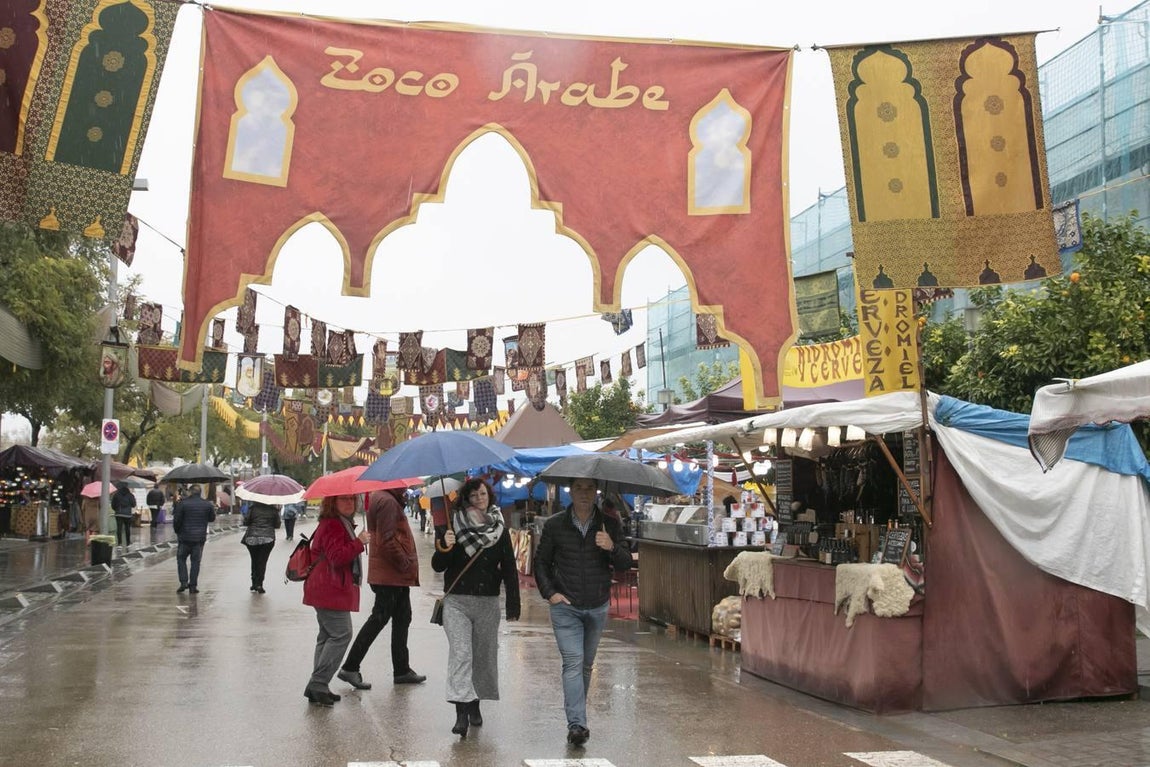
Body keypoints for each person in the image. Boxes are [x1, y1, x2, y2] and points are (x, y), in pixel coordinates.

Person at [534, 476, 632, 747]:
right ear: (570, 491)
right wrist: (550, 593)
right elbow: (540, 562)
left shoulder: (610, 524)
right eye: (579, 487)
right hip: (566, 607)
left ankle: (577, 715)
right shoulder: (555, 525)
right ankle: (577, 723)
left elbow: (625, 562)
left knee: (586, 666)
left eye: (590, 488)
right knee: (573, 662)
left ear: (597, 491)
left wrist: (611, 546)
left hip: (597, 605)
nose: (585, 493)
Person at [432, 478, 520, 738]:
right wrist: (446, 545)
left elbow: (509, 567)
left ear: (489, 496)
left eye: (483, 493)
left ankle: (475, 704)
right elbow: (438, 566)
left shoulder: (499, 529)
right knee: (461, 654)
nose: (480, 498)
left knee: (482, 656)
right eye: (474, 495)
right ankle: (460, 713)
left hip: (487, 602)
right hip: (457, 602)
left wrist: (513, 604)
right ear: (466, 499)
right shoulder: (452, 525)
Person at [337, 487, 426, 692]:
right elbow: (387, 539)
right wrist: (404, 562)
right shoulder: (387, 501)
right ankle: (351, 666)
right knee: (378, 619)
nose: (405, 486)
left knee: (403, 617)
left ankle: (402, 669)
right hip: (391, 574)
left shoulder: (385, 497)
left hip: (391, 574)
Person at [302, 494, 369, 706]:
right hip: (329, 587)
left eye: (352, 499)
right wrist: (359, 542)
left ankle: (319, 686)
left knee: (327, 636)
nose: (349, 503)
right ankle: (318, 682)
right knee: (341, 634)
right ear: (333, 503)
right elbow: (336, 557)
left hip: (326, 587)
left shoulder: (341, 523)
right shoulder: (333, 525)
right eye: (343, 499)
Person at [172, 484, 216, 594]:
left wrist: (178, 531)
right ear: (200, 492)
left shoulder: (182, 504)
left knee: (181, 559)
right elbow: (212, 518)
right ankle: (193, 586)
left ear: (190, 492)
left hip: (184, 538)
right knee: (196, 562)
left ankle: (183, 582)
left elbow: (177, 520)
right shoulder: (207, 504)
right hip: (199, 539)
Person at [241, 501, 280, 593]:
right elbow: (277, 524)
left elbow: (246, 522)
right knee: (262, 561)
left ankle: (254, 583)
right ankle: (259, 584)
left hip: (252, 538)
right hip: (268, 538)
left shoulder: (252, 508)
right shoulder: (273, 510)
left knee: (254, 560)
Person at [110, 481, 136, 548]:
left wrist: (116, 510)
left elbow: (113, 505)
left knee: (119, 528)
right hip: (128, 515)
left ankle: (119, 544)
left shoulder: (116, 495)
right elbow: (134, 505)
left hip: (118, 514)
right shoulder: (130, 495)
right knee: (127, 528)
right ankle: (128, 543)